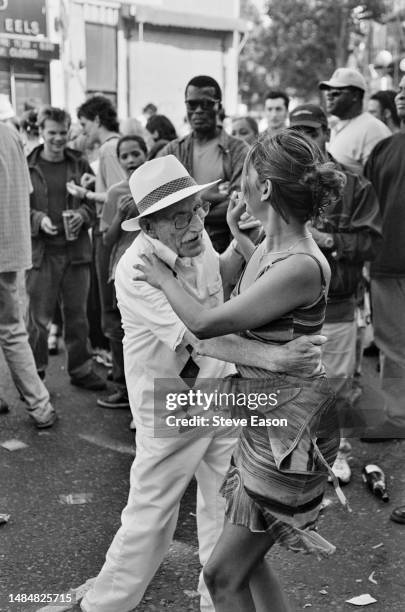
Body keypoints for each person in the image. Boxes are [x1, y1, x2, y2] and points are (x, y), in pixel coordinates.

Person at [80, 154, 332, 612]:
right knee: (150, 518)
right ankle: (103, 605)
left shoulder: (196, 245)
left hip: (220, 397)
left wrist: (237, 244)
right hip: (169, 405)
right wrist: (274, 357)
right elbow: (199, 336)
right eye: (180, 218)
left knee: (224, 510)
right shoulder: (136, 271)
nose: (196, 224)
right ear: (149, 228)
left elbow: (219, 285)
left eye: (197, 208)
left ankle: (217, 603)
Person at [289, 103, 383, 483]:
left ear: (327, 133)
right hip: (291, 303)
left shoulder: (355, 185)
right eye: (296, 132)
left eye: (310, 131)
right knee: (298, 383)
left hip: (339, 302)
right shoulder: (282, 182)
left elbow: (370, 244)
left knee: (339, 384)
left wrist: (327, 239)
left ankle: (337, 451)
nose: (304, 139)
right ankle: (301, 451)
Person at [26, 106, 105, 390]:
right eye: (52, 133)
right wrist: (38, 219)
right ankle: (35, 375)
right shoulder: (28, 165)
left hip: (76, 253)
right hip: (42, 254)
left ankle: (81, 369)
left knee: (78, 317)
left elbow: (94, 205)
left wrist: (82, 216)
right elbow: (17, 206)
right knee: (37, 321)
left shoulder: (79, 164)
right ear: (41, 131)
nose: (58, 138)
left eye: (62, 132)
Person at [0, 122, 56, 428]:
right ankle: (40, 406)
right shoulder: (10, 133)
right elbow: (27, 189)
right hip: (11, 246)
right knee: (12, 328)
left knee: (11, 329)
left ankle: (39, 405)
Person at [159, 75, 248, 253]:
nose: (198, 110)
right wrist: (213, 198)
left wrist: (183, 211)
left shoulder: (238, 150)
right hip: (180, 248)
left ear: (219, 107)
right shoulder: (172, 151)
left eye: (206, 104)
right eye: (192, 104)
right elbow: (159, 202)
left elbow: (241, 204)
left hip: (223, 245)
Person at [363, 75, 405, 437]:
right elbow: (368, 206)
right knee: (391, 344)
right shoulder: (383, 149)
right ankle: (398, 416)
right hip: (386, 263)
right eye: (402, 89)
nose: (402, 96)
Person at [76, 96, 126, 397]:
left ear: (96, 120)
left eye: (84, 124)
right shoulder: (114, 146)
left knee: (112, 309)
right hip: (115, 231)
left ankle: (121, 382)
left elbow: (120, 194)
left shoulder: (108, 147)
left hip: (110, 234)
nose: (84, 132)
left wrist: (85, 192)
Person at [96, 135, 147, 409]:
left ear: (146, 154)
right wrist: (121, 214)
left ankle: (146, 395)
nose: (130, 160)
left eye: (135, 153)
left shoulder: (156, 187)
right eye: (124, 156)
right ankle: (124, 389)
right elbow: (107, 239)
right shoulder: (117, 193)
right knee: (119, 329)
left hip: (153, 271)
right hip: (121, 271)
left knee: (147, 333)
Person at [319, 67, 391, 175]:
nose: (329, 96)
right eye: (327, 92)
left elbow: (384, 179)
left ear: (355, 95)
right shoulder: (334, 126)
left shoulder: (373, 129)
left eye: (336, 93)